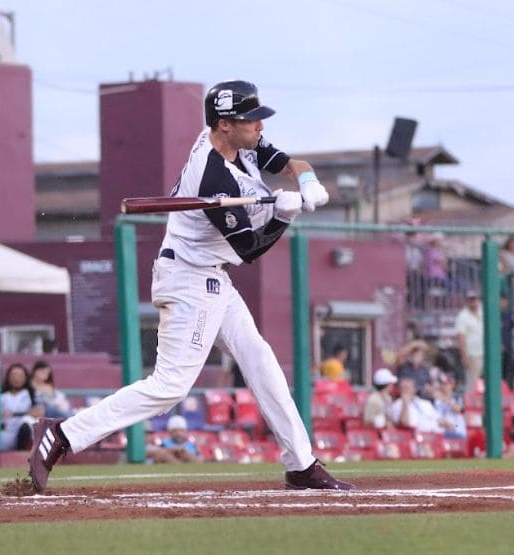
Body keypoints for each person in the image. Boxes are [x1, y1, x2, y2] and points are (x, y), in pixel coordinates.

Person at [28, 80, 353, 492]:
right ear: (223, 125)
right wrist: (283, 218)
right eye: (248, 120)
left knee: (260, 360)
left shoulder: (245, 143)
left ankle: (301, 464)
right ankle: (63, 435)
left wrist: (306, 182)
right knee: (168, 388)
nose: (258, 127)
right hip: (190, 280)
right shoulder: (212, 176)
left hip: (214, 275)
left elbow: (291, 162)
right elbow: (250, 249)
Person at [0, 363, 42, 451]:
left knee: (26, 422)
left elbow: (39, 411)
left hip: (25, 431)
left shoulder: (32, 394)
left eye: (20, 375)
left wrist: (14, 414)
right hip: (5, 431)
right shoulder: (1, 395)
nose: (16, 378)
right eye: (14, 375)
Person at [454, 291, 484, 392]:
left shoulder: (483, 311)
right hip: (473, 354)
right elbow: (461, 337)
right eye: (471, 300)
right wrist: (464, 356)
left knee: (488, 380)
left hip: (485, 352)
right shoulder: (463, 316)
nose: (474, 302)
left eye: (475, 299)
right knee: (472, 381)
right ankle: (470, 403)